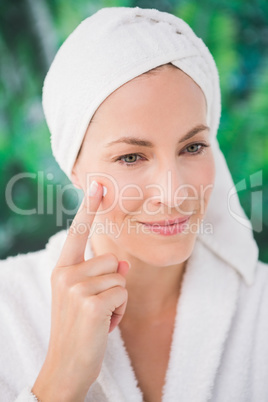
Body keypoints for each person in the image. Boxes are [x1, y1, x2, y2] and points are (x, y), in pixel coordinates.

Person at [1, 6, 267, 402]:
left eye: (193, 146)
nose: (174, 193)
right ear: (74, 167)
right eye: (131, 157)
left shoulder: (259, 310)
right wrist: (61, 379)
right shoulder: (8, 306)